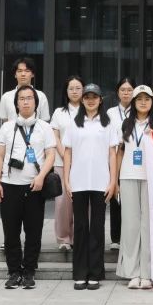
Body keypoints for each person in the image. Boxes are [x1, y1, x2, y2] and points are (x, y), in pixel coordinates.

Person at [0, 84, 56, 290]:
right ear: (16, 103)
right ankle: (13, 272)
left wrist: (41, 177)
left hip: (34, 186)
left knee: (33, 231)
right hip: (9, 186)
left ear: (36, 103)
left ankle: (29, 271)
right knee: (10, 232)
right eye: (22, 98)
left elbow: (51, 155)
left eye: (29, 98)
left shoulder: (45, 127)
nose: (26, 102)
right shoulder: (7, 127)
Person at [64, 83, 119, 290]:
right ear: (82, 100)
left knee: (97, 227)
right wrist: (66, 180)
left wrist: (113, 181)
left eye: (94, 97)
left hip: (100, 182)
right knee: (80, 227)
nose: (90, 100)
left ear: (100, 100)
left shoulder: (108, 123)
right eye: (87, 97)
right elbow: (67, 152)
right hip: (78, 181)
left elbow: (112, 154)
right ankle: (80, 273)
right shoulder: (74, 123)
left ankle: (95, 273)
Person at [115, 84, 153, 290]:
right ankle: (132, 273)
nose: (143, 102)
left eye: (147, 99)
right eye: (139, 99)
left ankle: (147, 273)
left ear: (152, 102)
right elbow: (119, 153)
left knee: (148, 225)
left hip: (151, 179)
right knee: (130, 225)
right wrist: (115, 181)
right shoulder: (125, 124)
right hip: (128, 176)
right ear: (133, 102)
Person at [49, 75, 84, 251]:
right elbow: (54, 136)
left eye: (78, 88)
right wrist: (64, 154)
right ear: (66, 91)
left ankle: (80, 236)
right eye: (71, 88)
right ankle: (64, 238)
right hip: (62, 162)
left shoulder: (89, 110)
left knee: (82, 201)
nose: (75, 91)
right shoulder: (59, 112)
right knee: (63, 202)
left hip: (83, 163)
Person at [105, 76, 136, 250]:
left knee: (131, 199)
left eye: (130, 90)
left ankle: (130, 236)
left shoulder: (138, 111)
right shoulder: (110, 112)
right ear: (117, 92)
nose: (126, 93)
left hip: (132, 157)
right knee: (115, 195)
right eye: (123, 90)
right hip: (114, 156)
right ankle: (116, 238)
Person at [0, 56, 51, 123]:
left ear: (32, 74)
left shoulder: (41, 96)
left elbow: (44, 122)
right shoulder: (6, 97)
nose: (23, 74)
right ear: (15, 75)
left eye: (27, 71)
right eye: (19, 71)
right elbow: (5, 122)